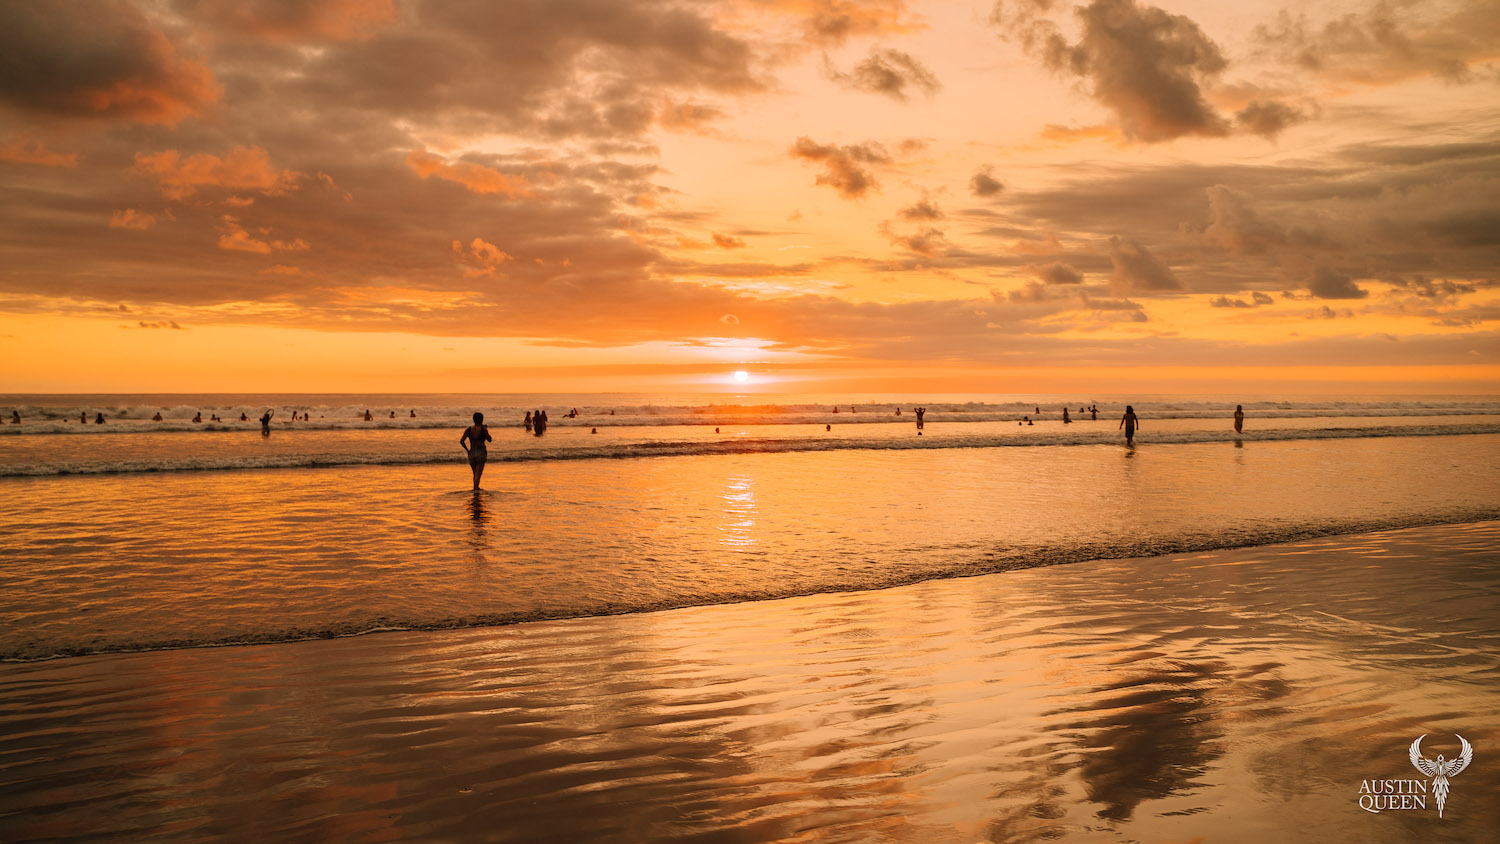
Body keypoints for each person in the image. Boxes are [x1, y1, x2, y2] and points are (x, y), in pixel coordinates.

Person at [460, 412, 492, 490]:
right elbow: (490, 439)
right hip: (481, 452)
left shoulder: (469, 429)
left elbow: (462, 441)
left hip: (472, 452)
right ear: (482, 419)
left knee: (475, 473)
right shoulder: (483, 429)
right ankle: (476, 489)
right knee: (478, 474)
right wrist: (485, 430)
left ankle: (476, 488)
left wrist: (467, 450)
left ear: (473, 419)